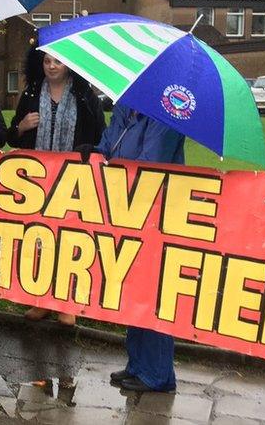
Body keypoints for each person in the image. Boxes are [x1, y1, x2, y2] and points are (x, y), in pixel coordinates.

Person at [8, 46, 105, 326]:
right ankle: (42, 301)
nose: (52, 66)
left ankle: (68, 303)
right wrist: (22, 127)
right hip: (36, 182)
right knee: (39, 239)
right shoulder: (29, 95)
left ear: (69, 64)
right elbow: (12, 137)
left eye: (58, 61)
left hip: (73, 180)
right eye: (47, 61)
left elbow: (100, 136)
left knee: (70, 241)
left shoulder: (84, 96)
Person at [93, 103, 184, 393]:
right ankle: (137, 365)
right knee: (133, 289)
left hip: (157, 212)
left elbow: (150, 162)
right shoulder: (125, 109)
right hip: (127, 210)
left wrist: (113, 165)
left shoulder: (167, 114)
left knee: (153, 292)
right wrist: (96, 154)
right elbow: (106, 144)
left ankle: (157, 374)